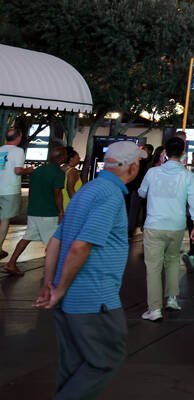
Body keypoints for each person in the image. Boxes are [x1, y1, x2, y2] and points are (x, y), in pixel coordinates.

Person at [33, 140, 141, 399]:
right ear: (133, 168)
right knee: (105, 359)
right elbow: (79, 247)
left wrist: (50, 285)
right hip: (94, 298)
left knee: (74, 365)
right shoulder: (111, 195)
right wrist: (58, 289)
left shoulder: (87, 190)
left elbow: (56, 242)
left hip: (69, 300)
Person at [137, 136, 194, 321]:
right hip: (177, 225)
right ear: (183, 153)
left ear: (164, 152)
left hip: (154, 225)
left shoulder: (152, 173)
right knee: (173, 261)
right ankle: (172, 299)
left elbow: (141, 192)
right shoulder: (188, 175)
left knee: (153, 267)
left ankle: (154, 309)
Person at [4, 145, 67, 276]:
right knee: (53, 242)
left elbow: (32, 191)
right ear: (61, 157)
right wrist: (61, 211)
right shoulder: (58, 173)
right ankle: (51, 270)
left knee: (27, 237)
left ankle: (11, 263)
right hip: (48, 213)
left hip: (34, 210)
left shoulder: (37, 171)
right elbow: (57, 194)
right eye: (65, 154)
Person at [0, 128, 33, 259]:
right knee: (4, 219)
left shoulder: (0, 149)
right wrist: (29, 170)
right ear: (18, 137)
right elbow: (18, 171)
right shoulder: (18, 151)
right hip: (9, 190)